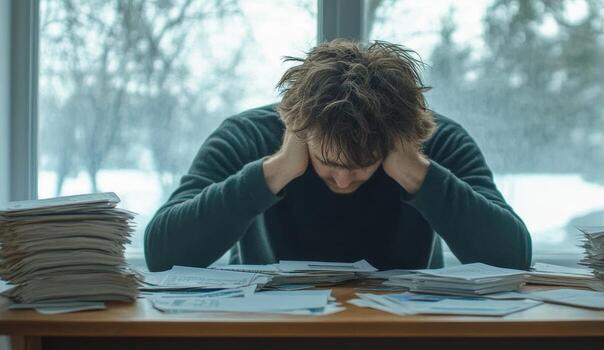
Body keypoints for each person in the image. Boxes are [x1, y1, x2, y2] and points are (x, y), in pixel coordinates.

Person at [144, 39, 531, 271]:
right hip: (270, 333)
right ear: (298, 127)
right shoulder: (245, 136)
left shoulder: (438, 141)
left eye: (363, 165)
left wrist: (416, 171)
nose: (343, 180)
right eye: (328, 162)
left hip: (403, 335)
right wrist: (276, 170)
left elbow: (513, 257)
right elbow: (162, 253)